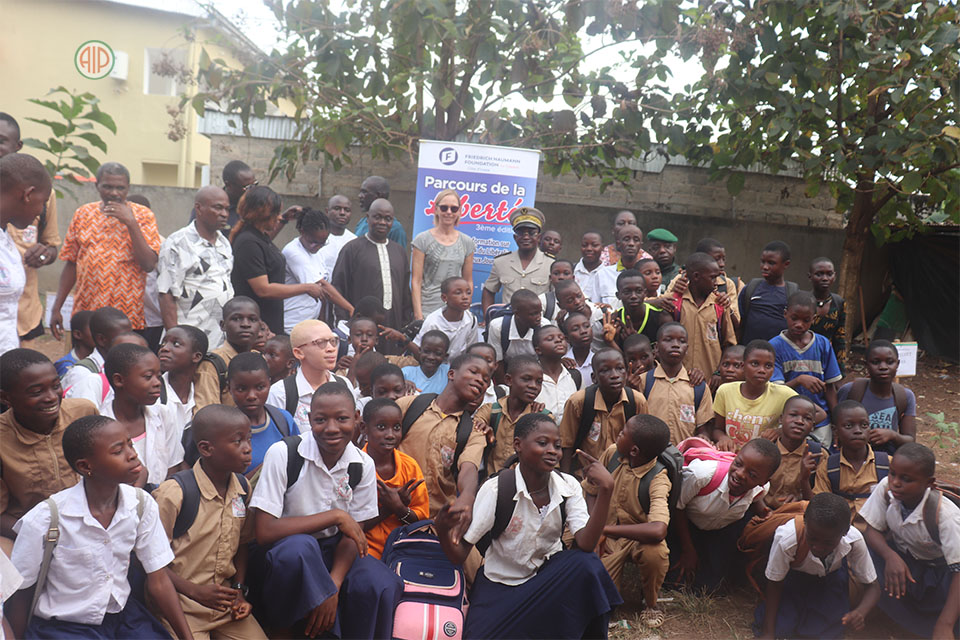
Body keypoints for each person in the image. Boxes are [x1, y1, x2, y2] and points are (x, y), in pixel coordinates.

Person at [434, 413, 621, 639]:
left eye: (558, 445)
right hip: (502, 584)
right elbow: (458, 554)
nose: (553, 450)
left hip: (548, 578)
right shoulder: (497, 490)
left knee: (587, 564)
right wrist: (444, 531)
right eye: (542, 443)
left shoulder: (567, 485)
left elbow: (586, 543)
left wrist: (606, 489)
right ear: (518, 445)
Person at [6, 415, 192, 640]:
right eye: (117, 451)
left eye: (130, 444)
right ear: (85, 466)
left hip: (123, 620)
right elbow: (21, 591)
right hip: (65, 628)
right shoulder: (47, 519)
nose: (133, 454)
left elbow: (159, 580)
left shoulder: (141, 505)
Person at [248, 382, 400, 637]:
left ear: (357, 419)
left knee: (381, 583)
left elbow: (354, 534)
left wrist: (333, 584)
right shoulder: (285, 453)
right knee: (300, 550)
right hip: (283, 551)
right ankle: (280, 631)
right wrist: (335, 516)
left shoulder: (361, 464)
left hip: (335, 550)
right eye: (320, 419)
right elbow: (264, 531)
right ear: (309, 419)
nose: (331, 428)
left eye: (341, 419)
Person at [152, 405, 267, 639]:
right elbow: (151, 564)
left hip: (224, 607)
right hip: (180, 606)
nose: (248, 450)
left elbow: (243, 543)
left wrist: (238, 591)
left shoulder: (242, 488)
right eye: (237, 442)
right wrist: (194, 591)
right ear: (206, 448)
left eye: (248, 440)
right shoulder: (174, 494)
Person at [50, 162, 161, 339]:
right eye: (107, 187)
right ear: (97, 186)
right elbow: (72, 263)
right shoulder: (83, 214)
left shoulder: (143, 216)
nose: (114, 193)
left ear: (128, 188)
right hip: (87, 315)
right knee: (86, 365)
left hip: (127, 318)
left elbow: (148, 264)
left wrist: (130, 223)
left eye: (120, 188)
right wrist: (57, 308)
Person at [861, 443, 960, 638]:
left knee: (950, 611)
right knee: (863, 554)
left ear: (929, 483)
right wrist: (890, 556)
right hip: (905, 563)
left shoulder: (946, 516)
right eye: (893, 473)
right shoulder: (887, 489)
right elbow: (871, 529)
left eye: (906, 479)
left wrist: (945, 624)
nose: (895, 482)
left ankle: (937, 623)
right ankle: (891, 611)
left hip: (940, 574)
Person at [0, 349, 97, 549]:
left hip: (93, 523)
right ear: (5, 398)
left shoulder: (83, 412)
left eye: (56, 386)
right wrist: (46, 536)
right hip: (26, 534)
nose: (52, 397)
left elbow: (121, 464)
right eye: (37, 392)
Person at [585, 415, 672, 629]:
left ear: (634, 450)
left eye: (623, 432)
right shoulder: (613, 453)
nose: (618, 434)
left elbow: (658, 529)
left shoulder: (658, 478)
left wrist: (603, 529)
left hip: (634, 538)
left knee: (656, 553)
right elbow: (591, 490)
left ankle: (651, 602)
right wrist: (592, 528)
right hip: (605, 534)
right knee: (599, 604)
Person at [755, 493, 880, 639]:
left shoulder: (854, 540)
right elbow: (775, 583)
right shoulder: (787, 538)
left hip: (830, 582)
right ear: (805, 522)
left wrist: (860, 611)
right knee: (781, 627)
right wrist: (768, 633)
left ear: (845, 532)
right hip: (793, 581)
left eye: (828, 543)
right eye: (812, 538)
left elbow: (873, 586)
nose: (818, 547)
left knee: (824, 632)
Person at [671, 438, 781, 592]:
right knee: (675, 582)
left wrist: (764, 511)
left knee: (709, 588)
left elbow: (756, 499)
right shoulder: (702, 475)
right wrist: (687, 549)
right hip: (686, 526)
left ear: (764, 481)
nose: (740, 474)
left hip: (719, 529)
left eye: (752, 474)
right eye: (738, 463)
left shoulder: (761, 488)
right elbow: (678, 508)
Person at [396, 353, 489, 517]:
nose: (480, 380)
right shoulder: (410, 405)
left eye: (486, 379)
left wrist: (467, 495)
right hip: (393, 507)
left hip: (434, 521)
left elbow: (469, 468)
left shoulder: (473, 432)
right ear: (451, 374)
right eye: (474, 372)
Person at [0, 117, 61, 347]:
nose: (40, 209)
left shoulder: (6, 237)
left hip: (23, 317)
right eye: (40, 202)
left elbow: (52, 246)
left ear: (18, 146)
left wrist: (44, 253)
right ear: (28, 196)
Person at [230, 186, 322, 335]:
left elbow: (264, 249)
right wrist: (306, 288)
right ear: (263, 215)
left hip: (270, 320)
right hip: (257, 327)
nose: (278, 217)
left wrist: (284, 220)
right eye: (276, 214)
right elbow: (263, 289)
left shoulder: (258, 236)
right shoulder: (248, 242)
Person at [157, 186, 234, 348]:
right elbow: (167, 295)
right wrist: (176, 342)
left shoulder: (224, 243)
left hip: (220, 340)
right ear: (199, 208)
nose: (225, 214)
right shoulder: (177, 243)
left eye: (227, 209)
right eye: (218, 207)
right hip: (189, 339)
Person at [101, 343, 184, 487]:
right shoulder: (101, 427)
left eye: (158, 377)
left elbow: (173, 465)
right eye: (148, 377)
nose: (157, 383)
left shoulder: (164, 414)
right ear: (119, 380)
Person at [360, 398, 430, 558]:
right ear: (364, 428)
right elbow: (353, 525)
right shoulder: (355, 466)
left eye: (396, 427)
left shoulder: (409, 466)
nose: (390, 435)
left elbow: (420, 520)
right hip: (365, 551)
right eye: (381, 427)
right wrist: (388, 508)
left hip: (403, 549)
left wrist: (400, 509)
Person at [331, 199, 413, 335]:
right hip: (361, 331)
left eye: (387, 219)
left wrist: (404, 325)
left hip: (393, 327)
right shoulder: (352, 249)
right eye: (377, 217)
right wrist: (344, 326)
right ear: (367, 218)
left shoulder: (399, 252)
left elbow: (405, 293)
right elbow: (338, 289)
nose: (382, 222)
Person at [771, 291, 842, 445]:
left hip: (820, 421)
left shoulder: (822, 344)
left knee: (819, 461)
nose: (799, 324)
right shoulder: (774, 346)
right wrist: (799, 380)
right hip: (789, 423)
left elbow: (830, 387)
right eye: (794, 318)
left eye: (806, 320)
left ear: (814, 319)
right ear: (785, 314)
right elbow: (775, 391)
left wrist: (836, 423)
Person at [559, 348, 648, 471]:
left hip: (622, 475)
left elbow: (643, 443)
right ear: (594, 377)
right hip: (586, 476)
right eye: (605, 370)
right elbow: (566, 444)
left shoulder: (637, 401)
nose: (614, 375)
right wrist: (566, 480)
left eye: (620, 368)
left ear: (626, 372)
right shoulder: (579, 402)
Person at [710, 340, 799, 451]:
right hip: (730, 457)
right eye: (755, 364)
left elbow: (818, 414)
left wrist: (781, 431)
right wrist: (723, 438)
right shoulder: (725, 391)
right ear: (743, 365)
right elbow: (717, 429)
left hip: (763, 459)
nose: (762, 370)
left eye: (768, 366)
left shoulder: (783, 394)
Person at [268, 320, 355, 431]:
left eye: (333, 341)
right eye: (320, 343)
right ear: (299, 353)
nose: (331, 349)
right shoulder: (281, 393)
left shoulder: (344, 385)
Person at [813, 400, 888, 529]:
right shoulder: (828, 468)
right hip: (841, 534)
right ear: (835, 431)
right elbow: (820, 506)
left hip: (879, 534)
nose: (858, 431)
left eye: (864, 425)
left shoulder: (887, 464)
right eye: (849, 426)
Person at [474, 355, 551, 476]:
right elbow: (475, 427)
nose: (533, 386)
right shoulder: (491, 411)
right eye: (526, 379)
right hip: (492, 483)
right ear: (509, 380)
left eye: (539, 382)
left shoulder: (543, 418)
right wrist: (483, 430)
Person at [837, 339, 916, 455]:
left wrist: (892, 435)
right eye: (875, 362)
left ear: (897, 364)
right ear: (866, 365)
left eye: (890, 362)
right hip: (852, 459)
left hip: (886, 461)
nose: (883, 367)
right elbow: (835, 428)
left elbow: (910, 441)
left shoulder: (905, 396)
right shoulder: (850, 391)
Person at [641, 323, 715, 444]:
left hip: (684, 457)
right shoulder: (644, 382)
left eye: (681, 341)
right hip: (650, 455)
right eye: (668, 340)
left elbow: (703, 429)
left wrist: (703, 437)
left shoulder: (698, 386)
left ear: (687, 349)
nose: (675, 345)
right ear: (656, 348)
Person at [282, 207, 352, 333]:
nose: (318, 247)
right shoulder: (294, 252)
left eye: (322, 243)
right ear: (302, 232)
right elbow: (322, 286)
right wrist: (350, 309)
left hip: (308, 321)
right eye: (313, 242)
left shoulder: (317, 251)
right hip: (292, 322)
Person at [227, 353, 295, 478]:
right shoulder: (224, 429)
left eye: (260, 387)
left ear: (269, 384)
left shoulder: (283, 420)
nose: (251, 396)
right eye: (241, 389)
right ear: (229, 388)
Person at [411, 189, 476, 319]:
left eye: (454, 209)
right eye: (444, 208)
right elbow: (416, 281)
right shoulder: (422, 240)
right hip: (427, 309)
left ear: (459, 212)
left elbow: (468, 281)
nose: (448, 212)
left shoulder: (467, 242)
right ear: (436, 210)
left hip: (455, 311)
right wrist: (419, 315)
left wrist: (465, 310)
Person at [672, 252, 736, 378]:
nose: (716, 283)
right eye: (712, 278)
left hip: (710, 380)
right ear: (696, 277)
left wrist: (718, 372)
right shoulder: (676, 302)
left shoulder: (719, 304)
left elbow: (728, 344)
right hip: (680, 379)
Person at [193, 296, 261, 409]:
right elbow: (208, 413)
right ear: (223, 325)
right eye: (236, 319)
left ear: (260, 325)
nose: (245, 324)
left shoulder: (260, 359)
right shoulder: (213, 364)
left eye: (252, 319)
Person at [481, 207, 552, 313]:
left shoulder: (551, 264)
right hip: (507, 322)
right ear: (515, 237)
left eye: (531, 233)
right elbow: (489, 290)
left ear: (539, 237)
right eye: (521, 233)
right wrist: (489, 316)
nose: (526, 237)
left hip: (538, 323)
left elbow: (556, 297)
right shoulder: (501, 262)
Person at [61, 306, 132, 407]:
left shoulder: (124, 365)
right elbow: (81, 415)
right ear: (101, 339)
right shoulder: (83, 374)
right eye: (123, 337)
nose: (130, 341)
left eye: (131, 335)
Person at [762, 395, 819, 509]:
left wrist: (801, 494)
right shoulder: (764, 451)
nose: (799, 421)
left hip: (799, 515)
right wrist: (764, 511)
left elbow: (818, 505)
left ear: (813, 426)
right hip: (761, 513)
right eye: (793, 415)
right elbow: (748, 491)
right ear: (781, 419)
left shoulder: (818, 455)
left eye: (807, 418)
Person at [738, 241, 798, 343]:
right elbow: (739, 320)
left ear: (786, 264)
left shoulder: (792, 293)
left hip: (778, 354)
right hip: (750, 351)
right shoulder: (751, 288)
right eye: (763, 262)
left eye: (771, 263)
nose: (765, 267)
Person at [411, 276, 480, 358]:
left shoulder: (471, 320)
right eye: (458, 293)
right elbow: (420, 350)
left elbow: (471, 350)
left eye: (468, 293)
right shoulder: (433, 322)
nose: (465, 297)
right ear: (444, 297)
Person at [158, 325, 206, 432]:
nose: (164, 348)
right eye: (163, 343)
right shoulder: (155, 397)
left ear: (196, 356)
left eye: (176, 344)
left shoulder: (201, 397)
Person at [606, 269, 671, 346]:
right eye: (627, 292)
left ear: (645, 293)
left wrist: (635, 341)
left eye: (639, 291)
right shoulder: (614, 321)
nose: (633, 296)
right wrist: (614, 341)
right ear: (618, 295)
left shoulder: (662, 318)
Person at [487, 289, 550, 364]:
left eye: (540, 313)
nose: (539, 318)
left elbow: (547, 360)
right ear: (517, 314)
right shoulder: (498, 327)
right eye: (533, 314)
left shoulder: (544, 326)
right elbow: (498, 362)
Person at [534, 324, 582, 422]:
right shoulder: (531, 379)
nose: (558, 340)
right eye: (550, 339)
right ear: (538, 350)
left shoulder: (574, 375)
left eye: (561, 338)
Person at [807, 257, 847, 374]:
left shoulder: (839, 302)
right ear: (810, 276)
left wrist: (840, 372)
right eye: (819, 274)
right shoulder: (803, 301)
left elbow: (840, 337)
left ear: (834, 276)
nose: (825, 278)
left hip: (828, 359)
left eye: (829, 274)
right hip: (805, 359)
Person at [596, 224, 648, 306]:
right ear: (618, 244)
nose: (631, 243)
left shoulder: (649, 275)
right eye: (626, 239)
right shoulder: (602, 275)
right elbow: (595, 306)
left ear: (640, 245)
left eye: (636, 240)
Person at [316, 195, 357, 290]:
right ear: (327, 211)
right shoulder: (316, 239)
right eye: (337, 208)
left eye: (347, 210)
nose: (342, 213)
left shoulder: (354, 241)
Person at [353, 175, 406, 247]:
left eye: (364, 192)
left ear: (378, 195)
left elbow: (398, 256)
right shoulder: (362, 222)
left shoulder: (395, 229)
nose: (360, 196)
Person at [218, 159, 257, 231]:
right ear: (228, 185)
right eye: (246, 187)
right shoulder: (212, 207)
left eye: (255, 184)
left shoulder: (256, 204)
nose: (252, 190)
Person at [54, 310, 95, 378]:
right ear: (78, 334)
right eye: (93, 330)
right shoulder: (66, 366)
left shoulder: (100, 361)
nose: (99, 334)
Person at [562, 312, 594, 384]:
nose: (583, 331)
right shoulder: (563, 363)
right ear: (567, 338)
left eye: (586, 326)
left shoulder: (598, 361)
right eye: (575, 329)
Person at [575, 230, 605, 303]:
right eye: (584, 245)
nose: (589, 249)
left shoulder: (607, 274)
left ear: (602, 247)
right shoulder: (571, 271)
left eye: (594, 245)